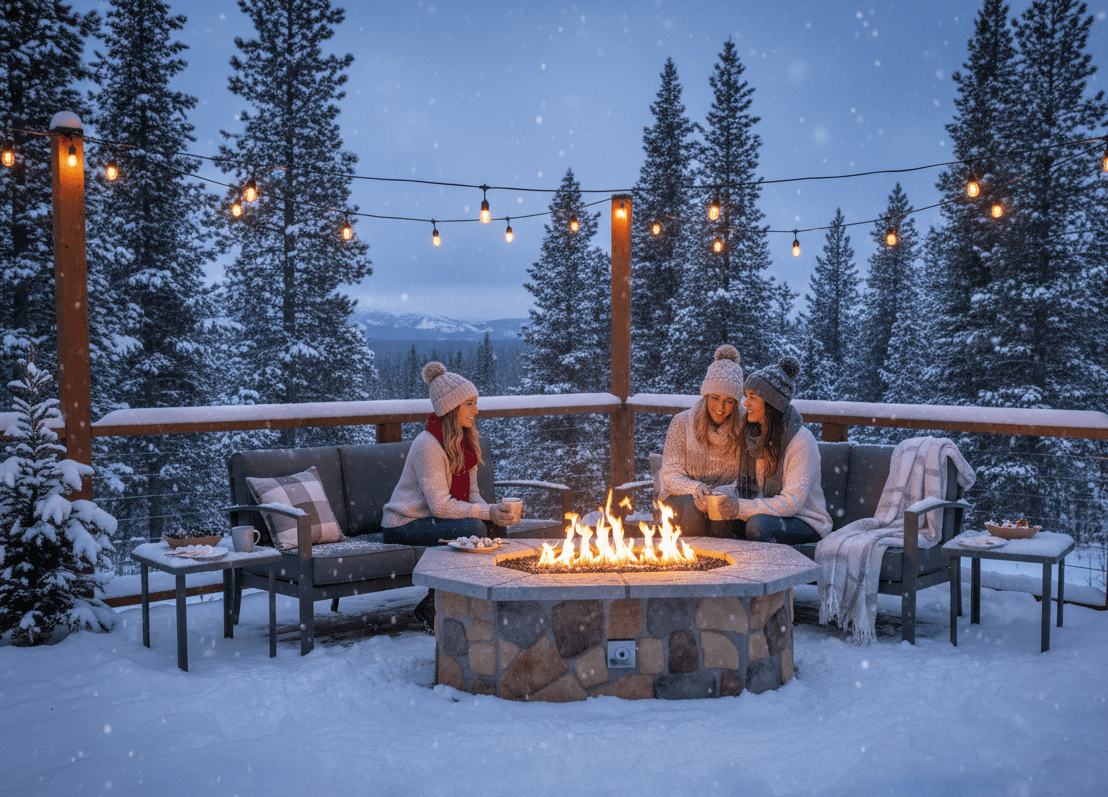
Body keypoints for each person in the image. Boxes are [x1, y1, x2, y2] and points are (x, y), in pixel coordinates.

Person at [382, 361, 518, 631]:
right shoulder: (428, 446)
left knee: (493, 526)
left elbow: (474, 495)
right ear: (451, 408)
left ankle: (493, 599)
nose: (475, 410)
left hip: (433, 520)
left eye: (475, 403)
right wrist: (484, 514)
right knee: (474, 527)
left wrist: (493, 510)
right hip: (404, 524)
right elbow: (441, 507)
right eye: (469, 404)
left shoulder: (465, 443)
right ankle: (432, 605)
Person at [716, 356, 831, 544]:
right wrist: (717, 495)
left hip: (805, 521)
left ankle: (764, 573)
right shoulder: (753, 435)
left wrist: (740, 507)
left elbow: (790, 503)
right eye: (746, 396)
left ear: (771, 404)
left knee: (758, 525)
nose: (745, 404)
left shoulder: (800, 441)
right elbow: (742, 487)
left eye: (753, 397)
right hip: (765, 515)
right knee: (719, 520)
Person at [658, 345, 745, 537]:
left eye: (729, 401)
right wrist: (695, 489)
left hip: (726, 497)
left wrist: (719, 494)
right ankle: (689, 561)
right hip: (683, 499)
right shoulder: (682, 422)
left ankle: (726, 563)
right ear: (706, 396)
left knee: (722, 512)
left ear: (737, 403)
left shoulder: (746, 427)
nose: (720, 407)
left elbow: (751, 478)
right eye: (715, 398)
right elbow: (670, 475)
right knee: (692, 509)